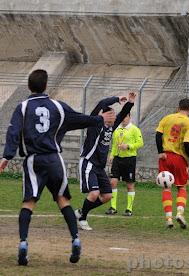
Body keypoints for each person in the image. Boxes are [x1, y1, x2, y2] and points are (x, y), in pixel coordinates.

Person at [0, 69, 115, 265]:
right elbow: (78, 119)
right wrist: (99, 119)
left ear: (29, 86)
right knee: (63, 201)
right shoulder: (57, 107)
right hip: (54, 159)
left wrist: (6, 156)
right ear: (46, 86)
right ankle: (75, 239)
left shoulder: (23, 107)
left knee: (28, 203)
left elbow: (13, 131)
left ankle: (23, 244)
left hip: (33, 160)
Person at [75, 93, 136, 230]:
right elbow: (101, 103)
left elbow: (123, 113)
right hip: (89, 163)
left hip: (99, 167)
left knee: (107, 195)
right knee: (95, 193)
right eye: (112, 114)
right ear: (105, 115)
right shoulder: (94, 124)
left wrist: (130, 102)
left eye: (115, 114)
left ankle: (80, 212)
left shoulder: (110, 128)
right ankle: (83, 218)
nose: (115, 116)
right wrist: (116, 99)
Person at [155, 98, 189, 229]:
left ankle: (169, 219)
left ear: (178, 107)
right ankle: (179, 213)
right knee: (182, 187)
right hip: (179, 158)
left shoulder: (167, 118)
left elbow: (158, 134)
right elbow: (187, 143)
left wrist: (160, 151)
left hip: (165, 157)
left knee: (167, 188)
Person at [106, 113, 143, 216]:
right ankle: (113, 207)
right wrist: (112, 155)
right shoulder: (116, 130)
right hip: (117, 159)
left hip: (129, 159)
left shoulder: (134, 129)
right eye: (121, 117)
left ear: (129, 117)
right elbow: (114, 145)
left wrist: (128, 146)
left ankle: (129, 209)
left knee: (129, 185)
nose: (123, 119)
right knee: (113, 182)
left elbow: (140, 143)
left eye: (125, 117)